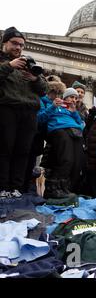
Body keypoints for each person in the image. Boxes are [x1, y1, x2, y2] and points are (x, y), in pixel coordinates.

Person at [0, 27, 47, 198]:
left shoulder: (29, 63)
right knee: (5, 149)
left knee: (23, 151)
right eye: (14, 43)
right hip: (7, 109)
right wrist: (9, 66)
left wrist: (35, 78)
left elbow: (44, 90)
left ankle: (16, 188)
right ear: (4, 42)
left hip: (29, 112)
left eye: (21, 45)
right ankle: (3, 187)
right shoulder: (4, 62)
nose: (18, 47)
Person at [43, 88, 85, 198]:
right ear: (65, 97)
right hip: (60, 131)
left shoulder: (73, 110)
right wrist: (53, 106)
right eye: (72, 97)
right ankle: (53, 189)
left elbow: (80, 123)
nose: (74, 100)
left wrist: (74, 112)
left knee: (77, 163)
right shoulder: (54, 105)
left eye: (76, 98)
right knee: (67, 159)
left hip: (75, 133)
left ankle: (65, 188)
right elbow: (41, 118)